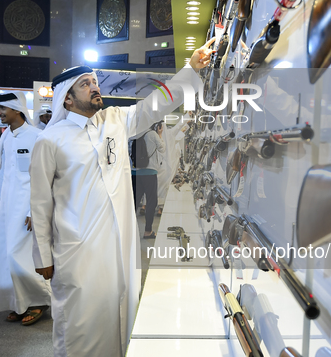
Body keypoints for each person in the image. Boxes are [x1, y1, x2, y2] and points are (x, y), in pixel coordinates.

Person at [29, 39, 214, 357]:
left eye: (95, 82)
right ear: (68, 99)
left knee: (119, 316)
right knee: (79, 325)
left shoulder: (114, 120)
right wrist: (42, 257)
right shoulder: (49, 141)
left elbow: (155, 105)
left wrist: (191, 68)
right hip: (78, 251)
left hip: (118, 246)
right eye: (85, 85)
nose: (94, 87)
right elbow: (40, 203)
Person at [0, 92, 52, 326]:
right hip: (7, 206)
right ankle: (18, 303)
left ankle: (39, 301)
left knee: (22, 256)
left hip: (27, 208)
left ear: (17, 109)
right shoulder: (7, 137)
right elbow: (2, 174)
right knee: (7, 256)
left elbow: (44, 178)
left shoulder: (37, 137)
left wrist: (33, 210)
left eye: (2, 108)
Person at [132, 121, 165, 239]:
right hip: (149, 172)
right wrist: (160, 134)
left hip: (135, 172)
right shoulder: (152, 134)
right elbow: (162, 148)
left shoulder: (134, 133)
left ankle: (127, 231)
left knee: (134, 202)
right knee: (151, 202)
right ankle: (148, 231)